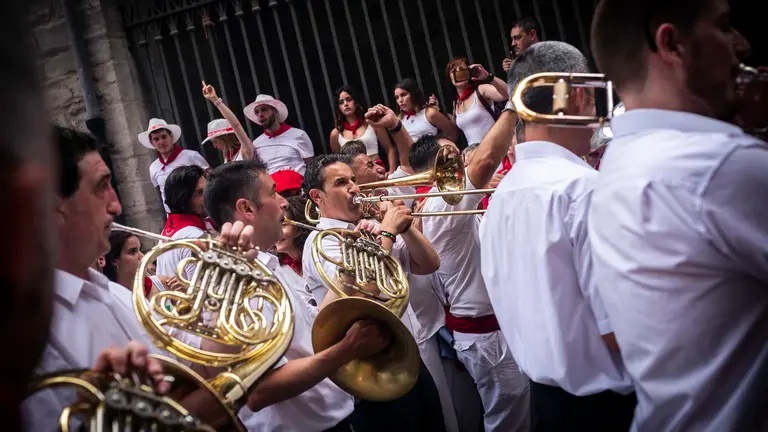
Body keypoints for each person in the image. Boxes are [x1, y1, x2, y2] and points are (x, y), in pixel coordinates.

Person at [588, 1, 767, 430]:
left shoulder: (619, 161)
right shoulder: (717, 165)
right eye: (724, 26)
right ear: (672, 43)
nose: (741, 44)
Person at [479, 41, 636, 431]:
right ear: (576, 96)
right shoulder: (583, 191)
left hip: (548, 407)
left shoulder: (500, 198)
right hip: (607, 411)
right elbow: (623, 331)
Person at [22, 127, 213, 431]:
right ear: (55, 205)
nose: (116, 206)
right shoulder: (26, 335)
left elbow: (200, 370)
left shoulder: (118, 294)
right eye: (101, 187)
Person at [203, 160, 391, 431]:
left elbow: (313, 331)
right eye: (273, 192)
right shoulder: (235, 282)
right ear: (246, 208)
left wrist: (349, 271)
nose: (283, 203)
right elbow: (260, 391)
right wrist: (347, 349)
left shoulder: (269, 265)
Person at [301, 154, 446, 432]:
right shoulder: (321, 243)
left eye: (353, 180)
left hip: (407, 358)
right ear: (318, 197)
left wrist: (404, 229)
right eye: (341, 183)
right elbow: (361, 294)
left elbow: (429, 263)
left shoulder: (368, 230)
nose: (355, 188)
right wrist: (388, 235)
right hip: (371, 373)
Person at [409, 135, 530, 432]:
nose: (464, 162)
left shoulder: (437, 202)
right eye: (453, 157)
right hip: (485, 334)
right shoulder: (440, 203)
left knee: (516, 412)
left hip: (487, 328)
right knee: (507, 420)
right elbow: (486, 161)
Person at [139, 118, 210, 214]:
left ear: (171, 136)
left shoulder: (191, 155)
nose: (161, 142)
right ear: (152, 142)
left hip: (200, 213)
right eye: (156, 139)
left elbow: (210, 179)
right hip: (174, 218)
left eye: (164, 137)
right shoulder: (153, 167)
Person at [156, 165, 209, 280]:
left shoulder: (165, 234)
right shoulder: (195, 236)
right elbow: (202, 291)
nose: (206, 197)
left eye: (207, 190)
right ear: (183, 199)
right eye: (199, 193)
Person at [329, 85, 397, 173]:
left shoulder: (372, 123)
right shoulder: (336, 133)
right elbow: (339, 162)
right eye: (341, 102)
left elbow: (390, 149)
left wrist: (391, 172)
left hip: (378, 173)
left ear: (356, 101)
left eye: (349, 99)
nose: (345, 104)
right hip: (356, 180)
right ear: (338, 107)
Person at [244, 94, 314, 175]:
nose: (260, 114)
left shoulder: (299, 135)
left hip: (298, 185)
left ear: (275, 112)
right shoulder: (256, 143)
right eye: (257, 112)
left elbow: (310, 166)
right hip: (272, 186)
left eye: (264, 110)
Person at [447, 57, 508, 145]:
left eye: (462, 70)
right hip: (475, 154)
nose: (459, 73)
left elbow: (507, 94)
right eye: (454, 71)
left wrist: (489, 77)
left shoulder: (481, 90)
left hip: (495, 148)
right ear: (449, 77)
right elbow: (454, 133)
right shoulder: (456, 103)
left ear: (469, 72)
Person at [201, 81, 257, 163]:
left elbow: (236, 126)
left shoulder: (245, 150)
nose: (215, 146)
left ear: (226, 136)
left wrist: (216, 100)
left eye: (215, 141)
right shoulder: (227, 157)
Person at [394, 78, 459, 143]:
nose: (400, 100)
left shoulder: (430, 113)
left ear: (413, 94)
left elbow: (452, 135)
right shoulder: (398, 120)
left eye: (403, 95)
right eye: (397, 97)